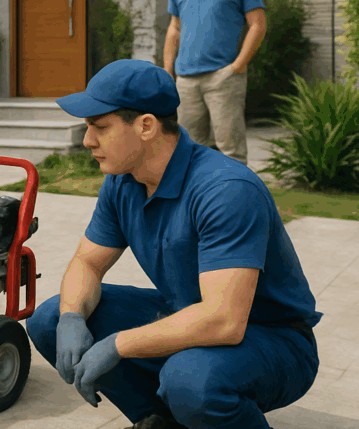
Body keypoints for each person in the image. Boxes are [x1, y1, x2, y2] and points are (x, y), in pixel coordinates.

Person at [25, 59, 320, 429]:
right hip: (188, 312)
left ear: (146, 126)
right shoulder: (123, 181)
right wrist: (71, 318)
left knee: (191, 381)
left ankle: (198, 407)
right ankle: (159, 420)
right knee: (50, 318)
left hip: (274, 339)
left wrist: (117, 344)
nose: (87, 140)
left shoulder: (225, 190)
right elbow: (88, 263)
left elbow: (223, 321)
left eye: (100, 127)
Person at [164, 0, 266, 165]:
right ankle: (194, 202)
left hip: (224, 77)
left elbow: (258, 25)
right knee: (186, 150)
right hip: (185, 80)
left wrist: (238, 66)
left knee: (231, 151)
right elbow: (174, 28)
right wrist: (168, 71)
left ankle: (236, 202)